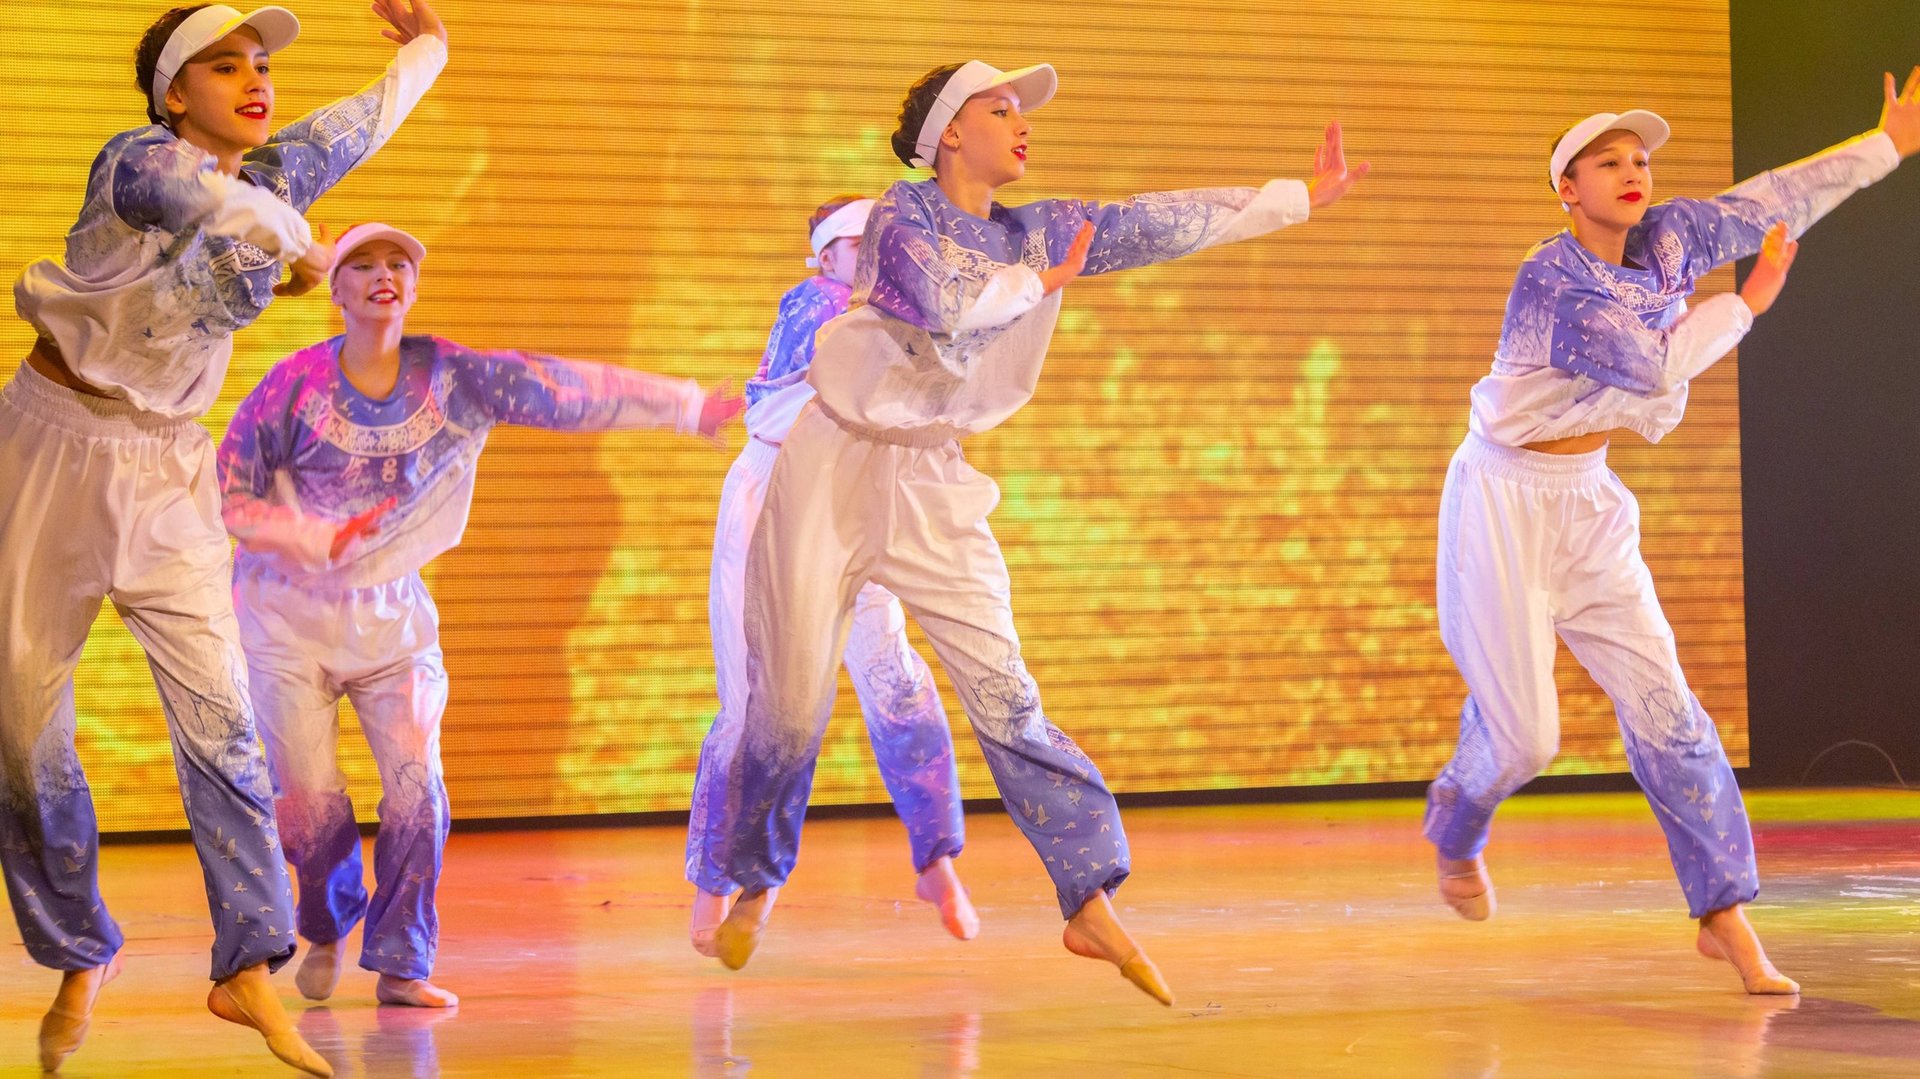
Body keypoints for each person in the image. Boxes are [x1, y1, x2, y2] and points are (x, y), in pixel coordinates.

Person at [712, 60, 1367, 1005]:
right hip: (832, 465)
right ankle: (756, 878)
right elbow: (942, 301)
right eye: (1001, 107)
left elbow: (1156, 221)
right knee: (786, 697)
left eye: (1021, 111)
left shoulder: (1041, 230)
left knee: (1007, 691)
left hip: (932, 477)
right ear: (949, 132)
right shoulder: (899, 213)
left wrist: (1298, 197)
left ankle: (1088, 895)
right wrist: (1035, 284)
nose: (1022, 123)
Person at [3, 3, 448, 1072]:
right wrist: (298, 244)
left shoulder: (278, 174)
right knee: (20, 725)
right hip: (51, 451)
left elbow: (359, 123)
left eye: (261, 65)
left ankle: (247, 962)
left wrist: (429, 49)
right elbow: (205, 201)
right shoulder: (136, 162)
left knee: (222, 720)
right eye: (223, 65)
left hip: (167, 470)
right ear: (173, 93)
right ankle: (79, 944)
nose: (255, 80)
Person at [1424, 70, 1920, 995]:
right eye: (1607, 162)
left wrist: (1883, 146)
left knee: (1669, 710)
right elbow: (1651, 368)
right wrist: (1749, 303)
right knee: (1527, 739)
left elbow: (1770, 200)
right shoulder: (1551, 279)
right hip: (1501, 501)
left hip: (1587, 503)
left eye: (1640, 160)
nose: (1632, 172)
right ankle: (1457, 825)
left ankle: (1723, 913)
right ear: (1567, 188)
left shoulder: (1671, 238)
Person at [218, 222, 743, 1007]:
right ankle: (325, 924)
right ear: (336, 290)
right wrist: (317, 537)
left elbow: (559, 387)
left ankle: (402, 961)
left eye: (398, 263)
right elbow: (230, 495)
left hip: (391, 617)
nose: (384, 275)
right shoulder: (291, 386)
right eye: (363, 264)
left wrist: (686, 406)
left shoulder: (453, 376)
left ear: (414, 285)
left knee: (417, 792)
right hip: (285, 616)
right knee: (309, 802)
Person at [686, 194, 977, 956]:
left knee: (895, 678)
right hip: (775, 497)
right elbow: (843, 358)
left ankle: (936, 858)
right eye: (863, 244)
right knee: (756, 699)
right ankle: (720, 880)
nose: (884, 256)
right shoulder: (817, 301)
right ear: (827, 256)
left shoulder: (895, 317)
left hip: (854, 495)